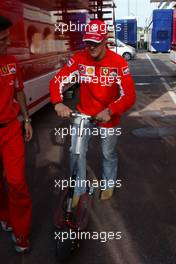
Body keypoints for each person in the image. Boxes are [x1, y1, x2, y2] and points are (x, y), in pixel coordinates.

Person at [50, 20, 136, 207]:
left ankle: (109, 182)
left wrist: (110, 110)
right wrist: (58, 102)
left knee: (108, 153)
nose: (91, 47)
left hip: (108, 117)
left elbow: (129, 95)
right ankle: (79, 189)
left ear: (106, 41)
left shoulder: (118, 63)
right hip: (83, 115)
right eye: (88, 42)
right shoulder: (79, 59)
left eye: (96, 42)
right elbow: (57, 81)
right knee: (76, 152)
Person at [0, 15, 32, 252]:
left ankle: (21, 233)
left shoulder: (11, 62)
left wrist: (27, 119)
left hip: (10, 128)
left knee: (16, 181)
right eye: (2, 39)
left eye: (7, 37)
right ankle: (5, 215)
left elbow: (19, 92)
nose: (7, 42)